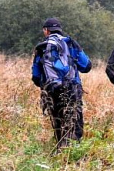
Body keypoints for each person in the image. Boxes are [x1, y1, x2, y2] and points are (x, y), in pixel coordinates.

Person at [31, 17, 91, 153]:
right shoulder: (71, 43)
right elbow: (87, 66)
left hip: (52, 90)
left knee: (58, 122)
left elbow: (35, 77)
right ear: (60, 30)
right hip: (73, 89)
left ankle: (61, 152)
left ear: (46, 31)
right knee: (75, 122)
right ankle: (74, 155)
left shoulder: (41, 47)